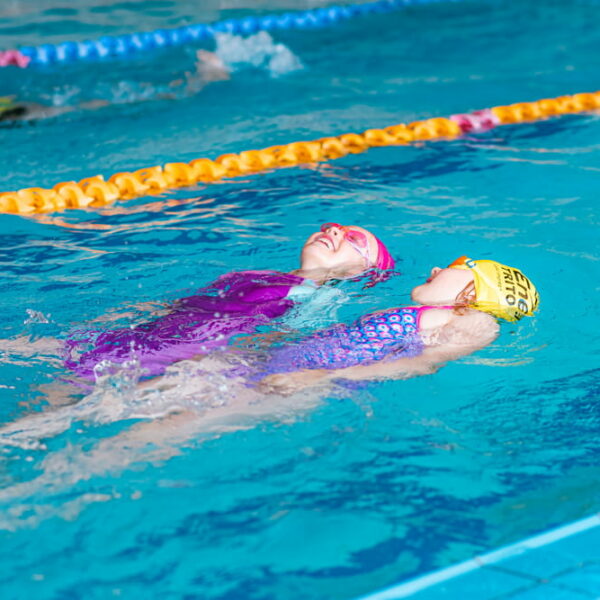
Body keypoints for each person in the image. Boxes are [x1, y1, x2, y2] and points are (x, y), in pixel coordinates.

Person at [64, 222, 395, 384]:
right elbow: (186, 305)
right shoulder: (259, 272)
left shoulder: (319, 296)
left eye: (352, 239)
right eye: (333, 227)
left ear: (363, 269)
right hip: (143, 334)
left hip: (178, 352)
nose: (334, 230)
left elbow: (274, 341)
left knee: (66, 390)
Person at [255, 255, 539, 394]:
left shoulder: (478, 323)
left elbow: (419, 364)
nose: (436, 269)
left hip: (298, 380)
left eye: (456, 265)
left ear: (475, 292)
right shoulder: (425, 313)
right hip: (271, 361)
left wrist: (318, 378)